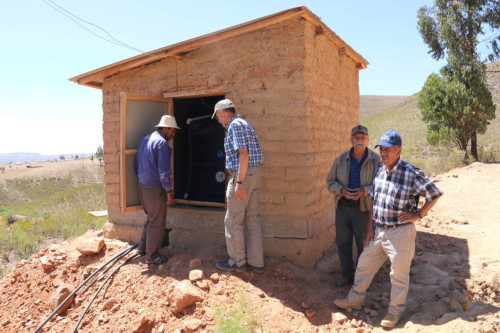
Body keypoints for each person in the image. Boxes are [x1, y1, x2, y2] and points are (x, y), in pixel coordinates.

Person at [334, 130, 443, 328]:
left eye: (387, 150)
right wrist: (370, 230)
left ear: (398, 150)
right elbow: (373, 199)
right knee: (364, 265)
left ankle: (394, 312)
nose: (383, 153)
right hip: (378, 231)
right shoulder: (380, 170)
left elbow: (434, 194)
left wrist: (419, 215)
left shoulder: (410, 173)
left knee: (398, 275)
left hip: (400, 233)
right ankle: (355, 300)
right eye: (381, 149)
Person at [212, 99, 264, 273]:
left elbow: (243, 154)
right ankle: (256, 263)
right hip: (253, 174)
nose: (219, 120)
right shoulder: (246, 124)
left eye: (218, 117)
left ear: (222, 112)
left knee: (233, 219)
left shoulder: (235, 125)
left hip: (244, 176)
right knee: (252, 220)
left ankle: (237, 261)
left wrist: (239, 182)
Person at [326, 125, 381, 287]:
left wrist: (364, 191)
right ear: (351, 140)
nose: (359, 140)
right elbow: (330, 182)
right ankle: (347, 275)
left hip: (363, 209)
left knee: (363, 244)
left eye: (362, 137)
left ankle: (362, 278)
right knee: (343, 242)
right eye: (356, 137)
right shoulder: (341, 160)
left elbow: (382, 185)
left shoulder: (375, 161)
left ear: (368, 139)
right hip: (343, 207)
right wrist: (341, 190)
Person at [134, 115, 180, 265]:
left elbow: (136, 164)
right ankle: (152, 256)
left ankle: (142, 248)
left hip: (143, 185)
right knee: (157, 221)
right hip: (155, 187)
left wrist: (142, 179)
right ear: (166, 129)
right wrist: (169, 192)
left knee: (151, 217)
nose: (174, 134)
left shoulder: (146, 139)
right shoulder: (162, 145)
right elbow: (164, 173)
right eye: (173, 131)